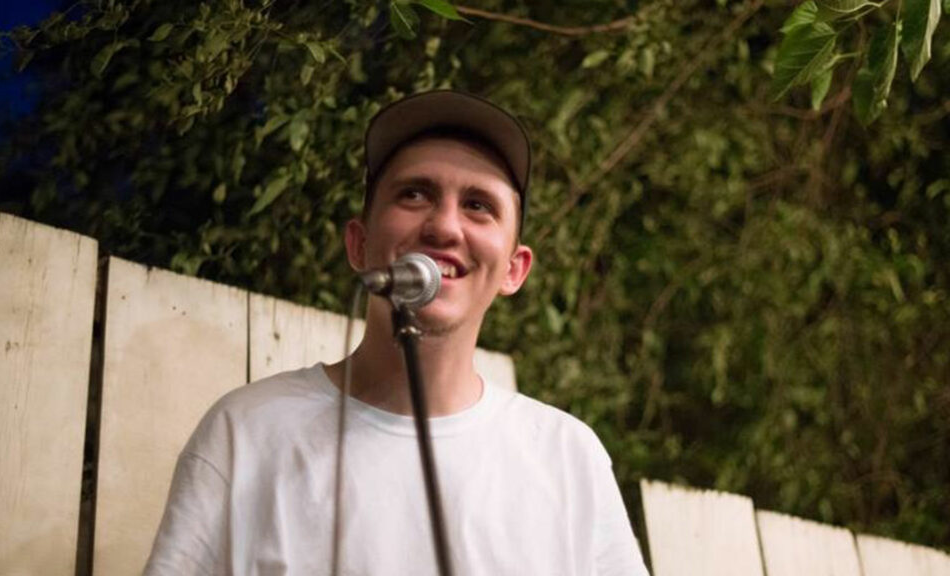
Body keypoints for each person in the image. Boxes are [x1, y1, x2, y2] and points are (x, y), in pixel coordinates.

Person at [144, 90, 649, 576]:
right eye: (414, 194)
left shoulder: (567, 455)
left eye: (479, 205)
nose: (445, 228)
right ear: (359, 244)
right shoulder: (246, 431)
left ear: (515, 270)